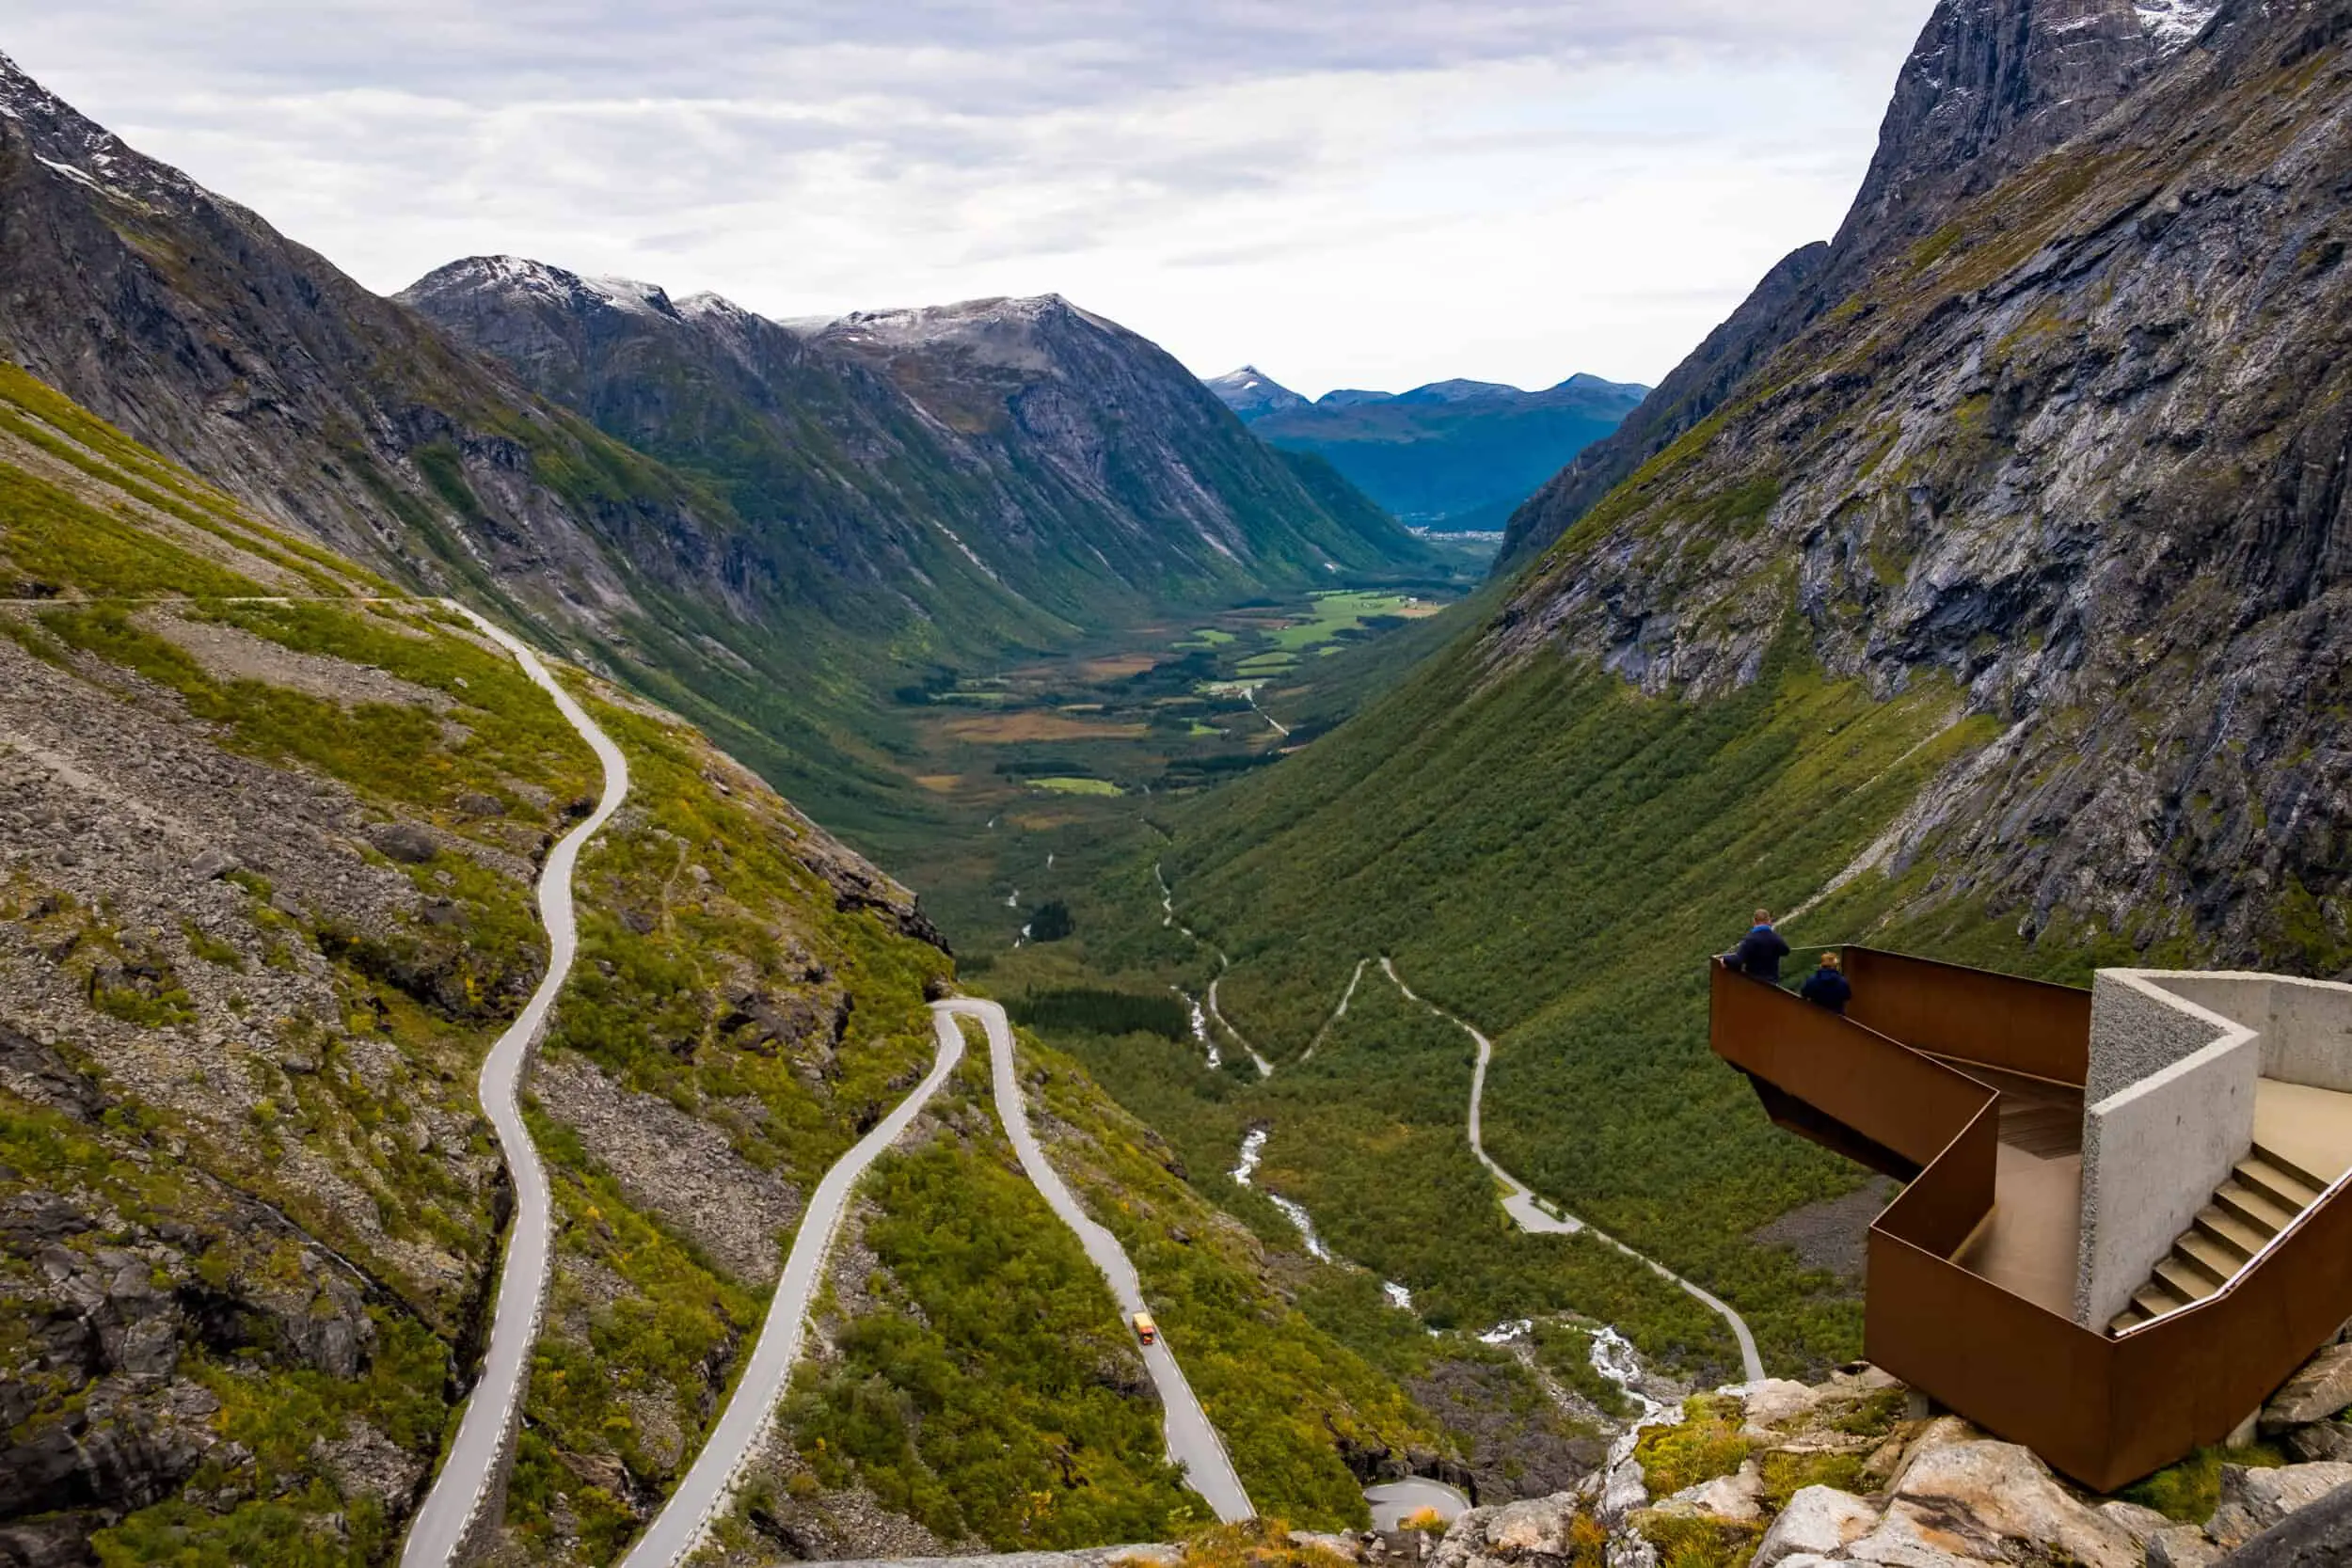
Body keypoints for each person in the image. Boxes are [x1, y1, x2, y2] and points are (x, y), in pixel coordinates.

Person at [1724, 909, 1790, 984]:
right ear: (1768, 921)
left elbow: (1738, 960)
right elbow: (1786, 951)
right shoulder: (1775, 937)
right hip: (1772, 984)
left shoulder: (1751, 939)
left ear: (1754, 921)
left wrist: (1725, 959)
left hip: (1755, 983)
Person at [1801, 950, 1852, 1014]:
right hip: (1836, 1017)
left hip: (1815, 1015)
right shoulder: (1842, 982)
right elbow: (1847, 997)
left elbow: (1804, 995)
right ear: (1836, 967)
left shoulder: (1812, 980)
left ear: (1821, 965)